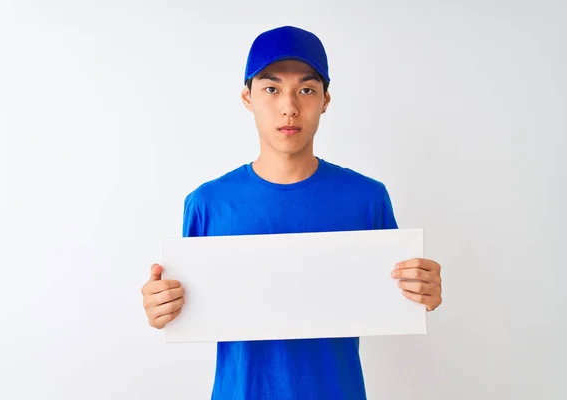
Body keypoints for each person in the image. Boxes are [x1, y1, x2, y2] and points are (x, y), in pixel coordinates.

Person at [141, 25, 443, 400]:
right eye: (271, 88)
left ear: (325, 100)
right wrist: (162, 307)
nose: (289, 106)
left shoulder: (366, 199)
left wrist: (424, 292)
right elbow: (189, 309)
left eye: (306, 90)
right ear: (247, 98)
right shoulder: (207, 204)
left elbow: (401, 302)